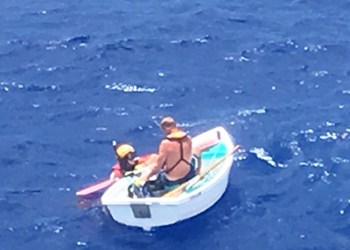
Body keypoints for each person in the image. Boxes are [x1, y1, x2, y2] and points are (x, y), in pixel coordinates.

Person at [132, 116, 199, 198]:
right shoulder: (188, 138)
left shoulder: (165, 144)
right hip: (188, 174)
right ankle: (196, 174)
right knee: (193, 159)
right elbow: (194, 153)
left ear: (166, 128)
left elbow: (157, 167)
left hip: (172, 180)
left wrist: (144, 177)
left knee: (149, 184)